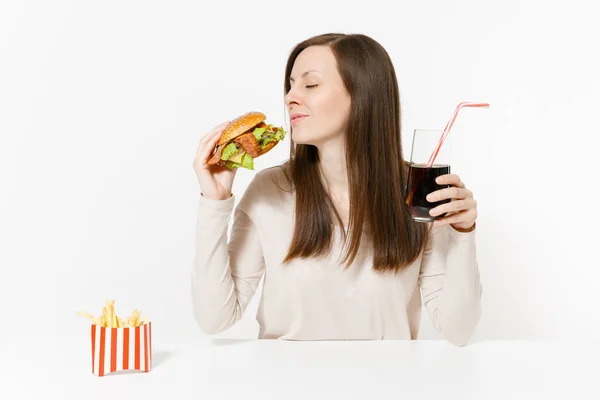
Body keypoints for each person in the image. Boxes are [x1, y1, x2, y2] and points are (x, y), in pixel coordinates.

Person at [191, 33, 482, 346]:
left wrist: (463, 233)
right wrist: (215, 203)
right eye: (290, 85)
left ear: (362, 95)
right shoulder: (269, 190)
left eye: (310, 84)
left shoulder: (417, 190)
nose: (290, 97)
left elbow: (458, 330)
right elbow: (214, 319)